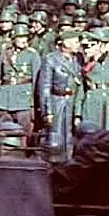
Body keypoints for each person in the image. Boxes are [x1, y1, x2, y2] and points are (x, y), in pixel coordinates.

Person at [38, 28, 83, 161]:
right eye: (75, 42)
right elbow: (45, 87)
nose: (78, 45)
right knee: (54, 137)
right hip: (56, 102)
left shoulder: (78, 59)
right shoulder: (51, 59)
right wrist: (48, 111)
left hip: (72, 102)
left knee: (70, 137)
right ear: (65, 43)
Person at [0, 24, 42, 130]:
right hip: (4, 98)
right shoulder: (5, 53)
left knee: (23, 131)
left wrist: (33, 104)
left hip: (23, 99)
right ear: (14, 38)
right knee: (2, 129)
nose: (23, 40)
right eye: (20, 37)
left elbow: (36, 82)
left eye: (25, 37)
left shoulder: (33, 55)